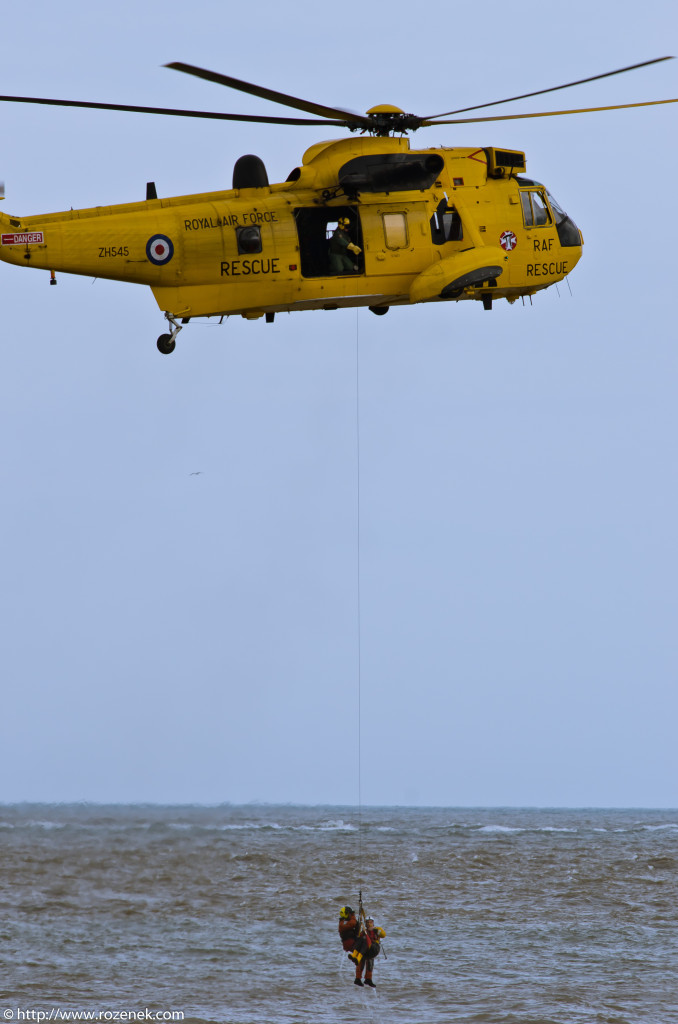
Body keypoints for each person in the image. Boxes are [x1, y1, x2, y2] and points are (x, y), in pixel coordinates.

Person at [347, 915, 386, 987]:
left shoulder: (377, 929)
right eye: (367, 922)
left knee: (370, 963)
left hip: (373, 948)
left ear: (373, 922)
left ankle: (369, 979)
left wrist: (376, 930)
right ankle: (358, 978)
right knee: (360, 962)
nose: (369, 923)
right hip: (365, 950)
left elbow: (383, 934)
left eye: (370, 922)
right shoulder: (364, 932)